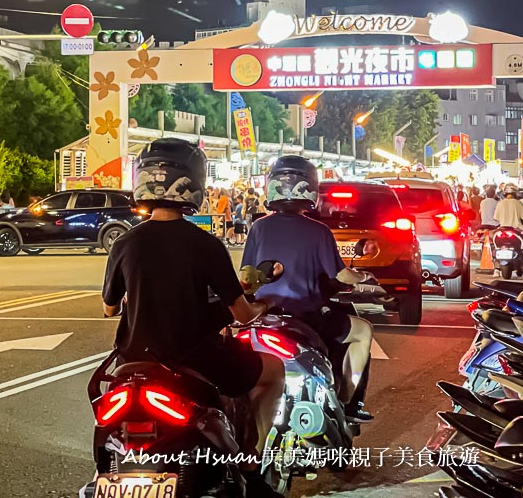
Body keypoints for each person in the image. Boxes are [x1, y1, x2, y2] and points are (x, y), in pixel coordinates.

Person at [102, 139, 283, 488]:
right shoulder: (206, 245)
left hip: (134, 360)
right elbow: (242, 314)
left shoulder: (125, 242)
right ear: (194, 184)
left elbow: (110, 307)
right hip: (195, 359)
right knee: (273, 372)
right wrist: (262, 304)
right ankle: (250, 464)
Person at [241, 155, 374, 422]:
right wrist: (364, 277)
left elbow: (246, 276)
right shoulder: (318, 231)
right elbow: (342, 275)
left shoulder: (259, 227)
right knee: (363, 331)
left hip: (266, 316)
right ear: (310, 188)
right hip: (307, 315)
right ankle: (347, 402)